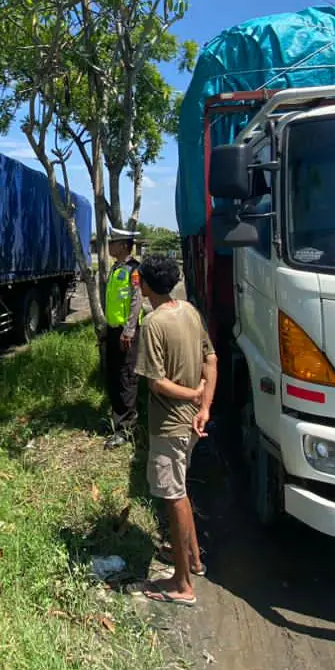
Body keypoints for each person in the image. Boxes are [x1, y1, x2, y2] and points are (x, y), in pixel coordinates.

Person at [133, 253, 217, 607]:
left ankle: (182, 585)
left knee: (174, 497)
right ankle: (193, 561)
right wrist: (204, 407)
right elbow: (211, 359)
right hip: (193, 421)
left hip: (170, 425)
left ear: (147, 285)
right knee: (181, 488)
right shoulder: (189, 311)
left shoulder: (153, 323)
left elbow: (156, 383)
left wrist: (194, 395)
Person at [102, 226, 143, 448]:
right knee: (114, 375)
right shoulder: (116, 268)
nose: (109, 246)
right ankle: (117, 421)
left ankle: (127, 429)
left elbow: (136, 301)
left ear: (124, 246)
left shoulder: (133, 270)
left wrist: (129, 330)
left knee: (127, 377)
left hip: (127, 333)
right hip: (113, 330)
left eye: (113, 243)